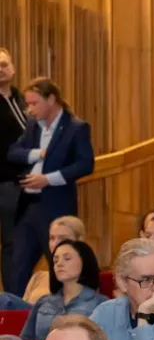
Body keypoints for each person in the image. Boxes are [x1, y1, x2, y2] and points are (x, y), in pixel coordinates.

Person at [6, 77, 95, 296]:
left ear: (51, 99)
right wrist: (37, 154)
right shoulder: (32, 126)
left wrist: (49, 178)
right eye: (27, 104)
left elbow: (85, 164)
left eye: (34, 103)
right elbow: (13, 152)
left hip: (56, 208)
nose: (29, 109)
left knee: (59, 264)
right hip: (28, 206)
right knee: (17, 266)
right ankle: (14, 315)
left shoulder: (76, 128)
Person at [20, 240, 105, 340]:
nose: (59, 264)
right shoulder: (44, 301)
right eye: (55, 261)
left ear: (85, 261)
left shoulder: (100, 303)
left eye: (67, 258)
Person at [0, 214, 87, 309]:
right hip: (29, 320)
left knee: (4, 299)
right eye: (52, 238)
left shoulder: (83, 275)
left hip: (56, 317)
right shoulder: (39, 276)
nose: (55, 243)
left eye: (63, 238)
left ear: (79, 241)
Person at [0, 48, 27, 293]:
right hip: (5, 181)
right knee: (10, 243)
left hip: (24, 183)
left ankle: (13, 297)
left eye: (4, 64)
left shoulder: (23, 98)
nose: (1, 70)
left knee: (16, 243)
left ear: (13, 68)